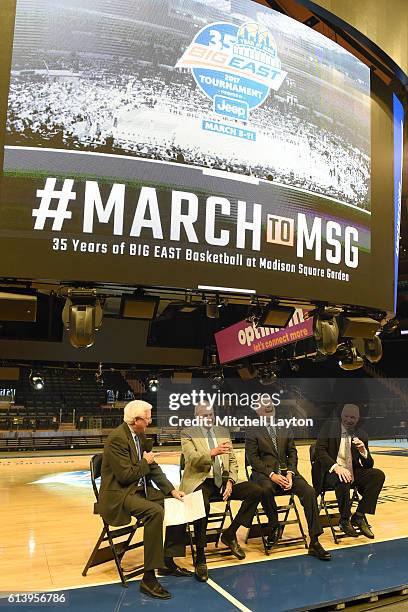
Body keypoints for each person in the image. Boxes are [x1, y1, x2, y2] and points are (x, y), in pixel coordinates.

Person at [98, 400, 192, 600]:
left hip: (138, 490)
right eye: (147, 417)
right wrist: (145, 462)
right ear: (136, 420)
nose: (150, 420)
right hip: (120, 494)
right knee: (154, 512)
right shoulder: (116, 439)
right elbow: (125, 476)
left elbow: (153, 468)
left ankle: (167, 561)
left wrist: (172, 490)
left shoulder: (139, 435)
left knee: (177, 503)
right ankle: (148, 578)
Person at [181, 402, 263, 582]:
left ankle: (230, 533)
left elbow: (232, 461)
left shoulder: (223, 432)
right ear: (197, 417)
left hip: (223, 481)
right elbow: (192, 459)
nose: (209, 418)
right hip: (200, 480)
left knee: (257, 491)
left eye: (211, 414)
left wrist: (231, 481)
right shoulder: (188, 433)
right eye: (205, 415)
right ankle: (201, 555)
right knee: (202, 504)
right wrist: (212, 453)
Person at [245, 399, 331, 561]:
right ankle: (274, 525)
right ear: (258, 411)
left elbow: (292, 453)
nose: (269, 406)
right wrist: (272, 475)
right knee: (265, 489)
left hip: (287, 473)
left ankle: (314, 540)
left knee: (309, 491)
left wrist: (290, 473)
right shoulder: (252, 430)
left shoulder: (285, 426)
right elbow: (253, 460)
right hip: (264, 474)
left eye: (270, 403)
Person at [314, 403, 385, 538]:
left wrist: (364, 451)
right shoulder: (328, 428)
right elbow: (319, 451)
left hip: (352, 470)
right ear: (341, 416)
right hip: (330, 472)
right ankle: (344, 519)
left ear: (357, 419)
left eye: (353, 417)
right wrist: (336, 467)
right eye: (346, 416)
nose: (349, 419)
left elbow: (368, 465)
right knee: (343, 478)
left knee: (377, 475)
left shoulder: (361, 434)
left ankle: (359, 515)